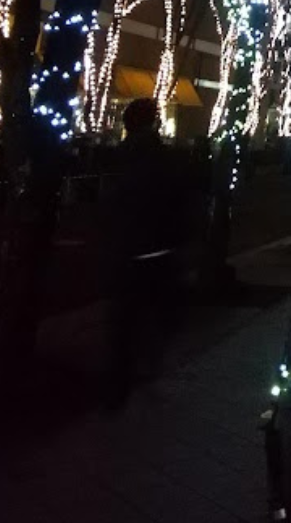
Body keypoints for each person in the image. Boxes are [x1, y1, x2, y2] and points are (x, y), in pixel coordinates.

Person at [103, 97, 188, 408]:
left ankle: (118, 386)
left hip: (126, 250)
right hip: (159, 250)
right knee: (159, 316)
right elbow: (180, 203)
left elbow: (110, 205)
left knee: (123, 321)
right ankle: (151, 372)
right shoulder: (167, 158)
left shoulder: (119, 157)